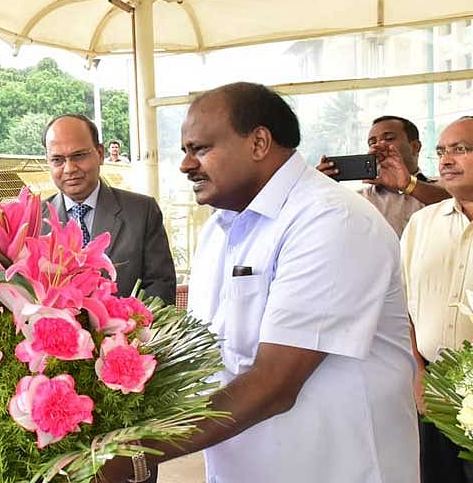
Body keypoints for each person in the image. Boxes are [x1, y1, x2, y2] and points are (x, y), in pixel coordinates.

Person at [101, 82, 419, 483]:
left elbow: (274, 384)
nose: (185, 165)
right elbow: (207, 358)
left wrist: (138, 450)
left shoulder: (331, 220)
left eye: (199, 149)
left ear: (259, 143)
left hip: (332, 467)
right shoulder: (221, 227)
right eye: (184, 151)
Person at [401, 116, 473, 483]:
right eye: (441, 151)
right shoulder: (422, 224)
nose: (446, 160)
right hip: (433, 388)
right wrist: (417, 373)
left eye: (460, 149)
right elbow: (404, 308)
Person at [42, 114, 176, 304]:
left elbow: (160, 286)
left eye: (79, 155)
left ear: (100, 153)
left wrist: (131, 330)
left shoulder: (142, 212)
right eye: (57, 160)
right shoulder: (32, 221)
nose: (69, 168)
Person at [317, 115, 449, 236]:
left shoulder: (445, 186)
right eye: (372, 142)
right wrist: (321, 192)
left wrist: (408, 184)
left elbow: (460, 204)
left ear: (415, 146)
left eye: (389, 138)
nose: (379, 145)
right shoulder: (359, 199)